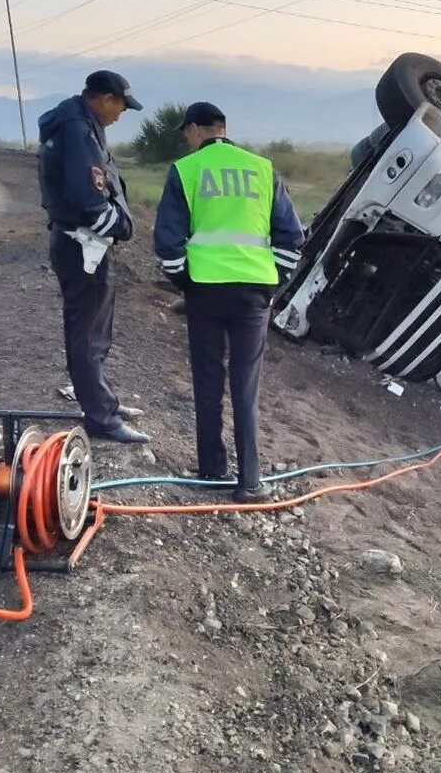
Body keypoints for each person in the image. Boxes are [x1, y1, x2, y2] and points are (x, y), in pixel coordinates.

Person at [153, 102, 305, 502]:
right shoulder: (262, 168)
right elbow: (291, 237)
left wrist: (184, 280)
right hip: (254, 292)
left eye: (186, 133)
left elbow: (167, 242)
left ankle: (211, 471)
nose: (186, 140)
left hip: (204, 290)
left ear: (196, 130)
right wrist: (274, 283)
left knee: (207, 381)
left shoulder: (185, 171)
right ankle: (250, 482)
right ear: (223, 128)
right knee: (245, 385)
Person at [38, 69, 149, 443]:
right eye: (120, 107)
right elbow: (89, 199)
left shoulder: (80, 123)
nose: (120, 115)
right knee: (86, 333)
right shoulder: (77, 130)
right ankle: (101, 418)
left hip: (86, 243)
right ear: (104, 99)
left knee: (96, 331)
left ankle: (103, 402)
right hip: (82, 242)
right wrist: (121, 225)